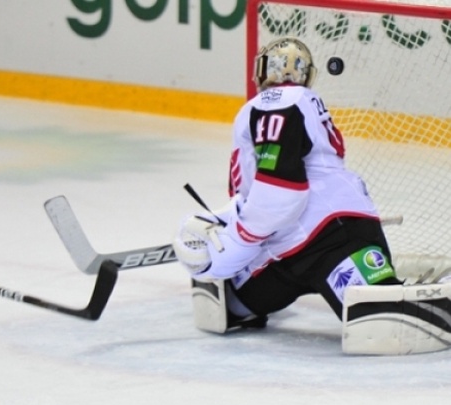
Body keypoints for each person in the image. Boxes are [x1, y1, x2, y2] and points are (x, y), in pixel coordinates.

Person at [171, 36, 404, 340]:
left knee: (386, 323)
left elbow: (281, 191)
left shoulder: (275, 102)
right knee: (226, 305)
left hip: (322, 239)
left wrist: (235, 241)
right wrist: (231, 215)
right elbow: (265, 187)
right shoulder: (300, 102)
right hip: (323, 237)